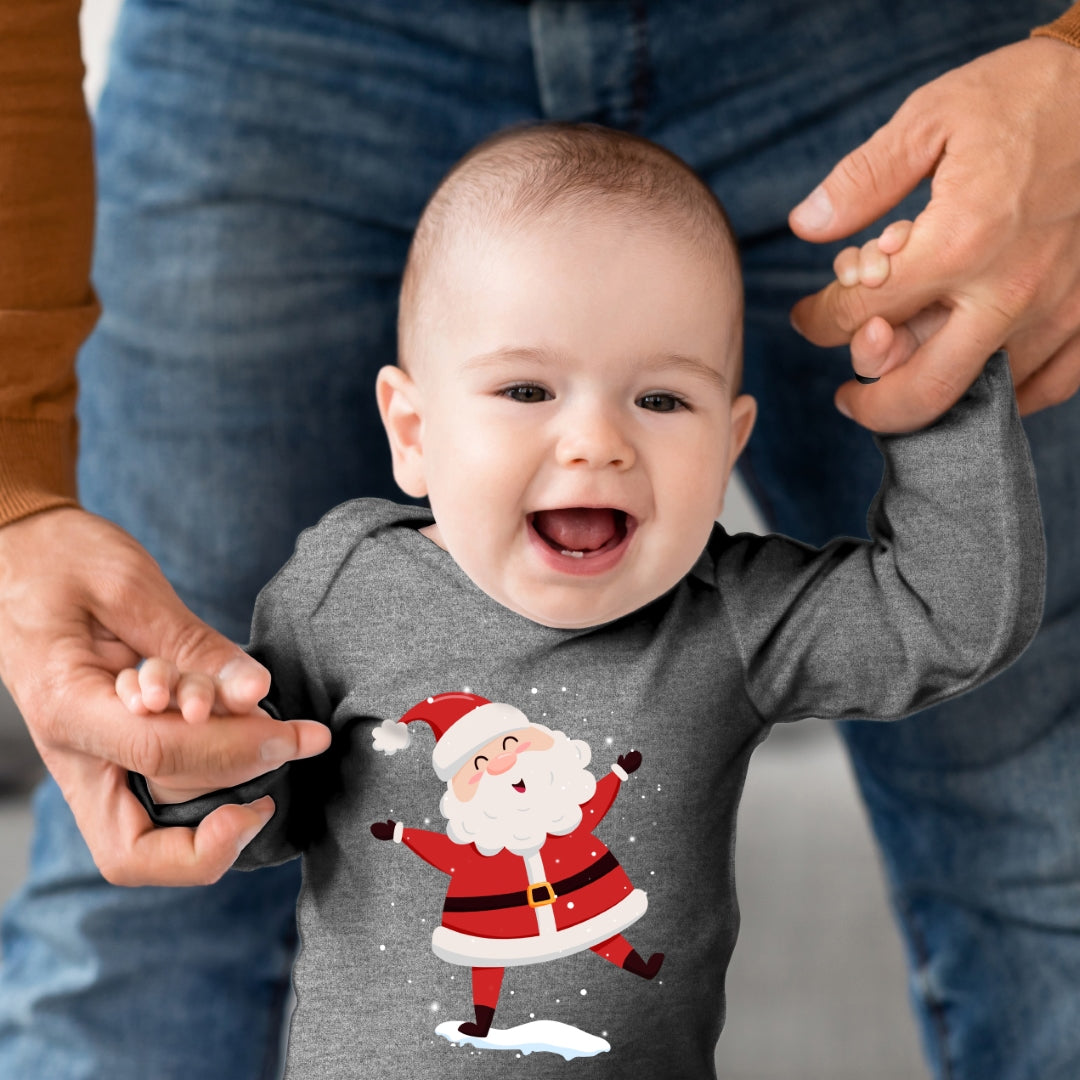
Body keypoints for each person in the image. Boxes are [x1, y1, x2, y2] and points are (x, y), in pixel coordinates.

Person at [0, 1, 1078, 1077]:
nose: (597, 443)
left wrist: (942, 385)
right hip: (279, 38)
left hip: (881, 47)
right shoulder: (342, 589)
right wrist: (179, 750)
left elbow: (945, 615)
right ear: (411, 432)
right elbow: (253, 801)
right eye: (526, 389)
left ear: (728, 436)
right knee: (128, 933)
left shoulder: (737, 616)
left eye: (662, 401)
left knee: (1046, 855)